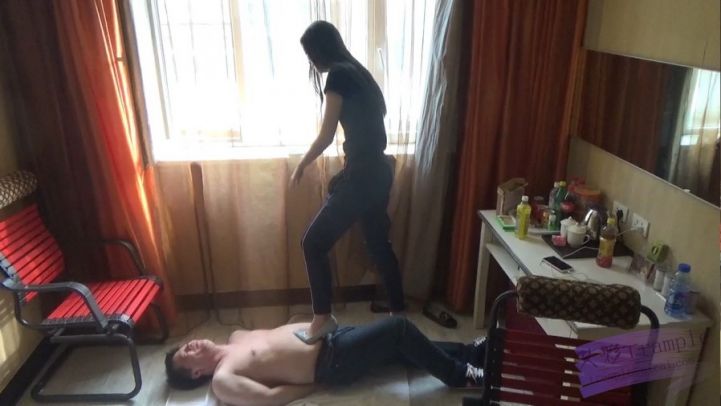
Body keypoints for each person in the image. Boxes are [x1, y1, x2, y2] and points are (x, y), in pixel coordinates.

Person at [291, 20, 405, 344]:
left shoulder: (338, 75)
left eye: (310, 55)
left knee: (312, 243)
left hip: (362, 177)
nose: (311, 62)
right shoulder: (359, 73)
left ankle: (322, 320)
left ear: (320, 51)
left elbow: (327, 135)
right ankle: (399, 319)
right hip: (378, 172)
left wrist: (302, 163)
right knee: (379, 245)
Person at [166, 317, 485, 405]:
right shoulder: (223, 378)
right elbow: (268, 398)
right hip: (330, 362)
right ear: (196, 373)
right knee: (398, 328)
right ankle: (459, 375)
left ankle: (468, 353)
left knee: (396, 347)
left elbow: (278, 340)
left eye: (185, 345)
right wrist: (316, 384)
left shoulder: (236, 336)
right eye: (186, 354)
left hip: (333, 336)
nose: (190, 345)